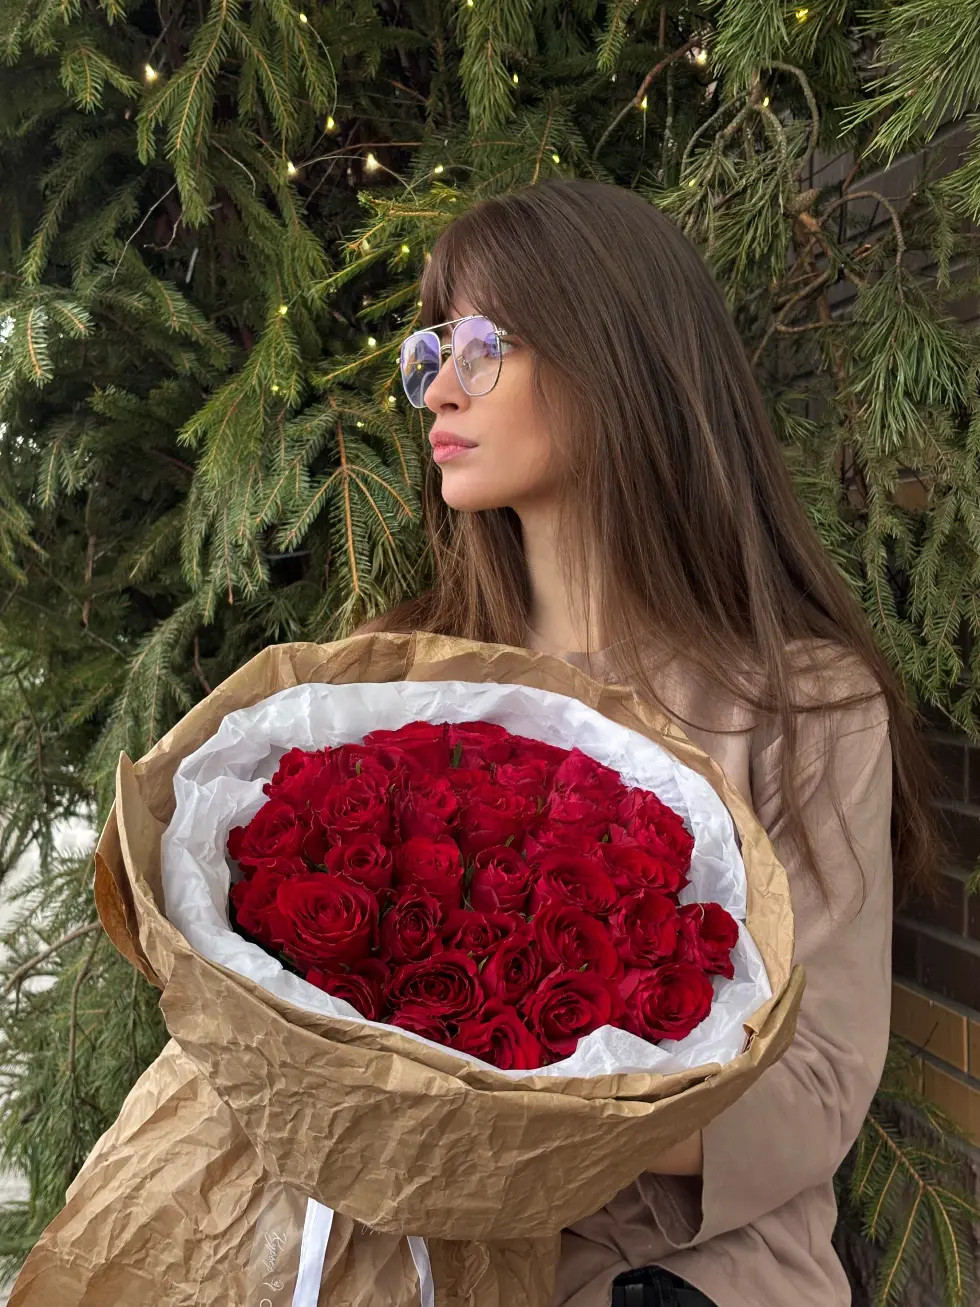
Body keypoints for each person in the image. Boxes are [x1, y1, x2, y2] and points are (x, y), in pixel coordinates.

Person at [357, 178, 943, 1307]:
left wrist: (513, 1089)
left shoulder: (805, 705)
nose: (437, 386)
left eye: (482, 347)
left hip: (693, 1271)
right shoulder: (398, 682)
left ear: (614, 358)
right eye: (430, 350)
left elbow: (818, 1083)